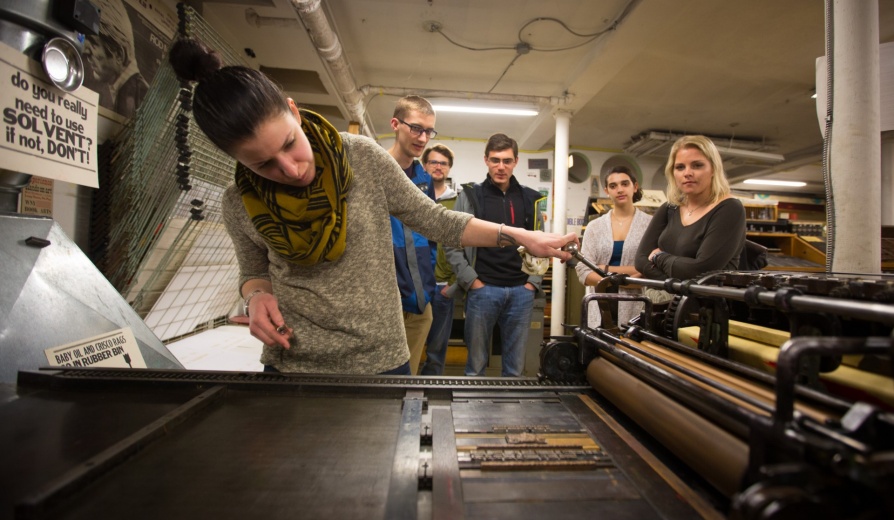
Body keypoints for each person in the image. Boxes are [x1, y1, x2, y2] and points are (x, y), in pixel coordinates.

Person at [167, 39, 577, 375]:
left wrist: (520, 236)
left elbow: (435, 219)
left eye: (290, 144)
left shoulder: (361, 157)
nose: (290, 169)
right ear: (237, 161)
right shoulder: (238, 204)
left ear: (293, 111)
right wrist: (256, 297)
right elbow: (254, 271)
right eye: (263, 164)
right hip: (293, 363)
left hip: (380, 359)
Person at [446, 133, 548, 377]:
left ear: (515, 162)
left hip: (520, 293)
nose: (501, 167)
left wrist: (532, 284)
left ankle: (510, 414)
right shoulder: (470, 196)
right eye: (495, 160)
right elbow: (451, 241)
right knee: (476, 367)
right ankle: (472, 413)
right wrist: (472, 281)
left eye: (506, 160)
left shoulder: (530, 198)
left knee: (514, 369)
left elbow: (540, 245)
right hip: (483, 290)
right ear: (486, 161)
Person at [634, 135, 746, 302]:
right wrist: (674, 282)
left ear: (714, 169)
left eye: (697, 165)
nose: (687, 173)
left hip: (704, 312)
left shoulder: (729, 209)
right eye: (680, 167)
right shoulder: (670, 208)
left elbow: (702, 269)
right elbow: (640, 260)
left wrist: (659, 257)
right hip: (658, 306)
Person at [385, 96, 439, 375]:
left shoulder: (424, 179)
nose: (422, 137)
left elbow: (428, 235)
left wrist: (427, 289)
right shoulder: (375, 169)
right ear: (395, 124)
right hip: (384, 298)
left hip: (418, 298)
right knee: (380, 381)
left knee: (409, 378)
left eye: (428, 131)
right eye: (416, 128)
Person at [575, 166, 652, 327]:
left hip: (635, 306)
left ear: (635, 187)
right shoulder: (595, 227)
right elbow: (583, 272)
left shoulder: (650, 225)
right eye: (613, 186)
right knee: (598, 349)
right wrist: (629, 275)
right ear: (606, 191)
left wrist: (604, 269)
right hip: (599, 305)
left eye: (625, 184)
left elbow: (649, 272)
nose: (619, 190)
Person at [419, 144, 458, 375]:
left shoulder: (457, 202)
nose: (438, 167)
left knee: (436, 347)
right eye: (433, 162)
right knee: (409, 341)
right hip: (414, 283)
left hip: (443, 285)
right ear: (425, 166)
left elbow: (464, 244)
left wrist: (454, 284)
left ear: (449, 168)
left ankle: (431, 388)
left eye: (443, 163)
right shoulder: (414, 197)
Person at [82, 0, 149, 118]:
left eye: (93, 43)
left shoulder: (141, 98)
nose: (85, 51)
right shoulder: (120, 91)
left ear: (118, 54)